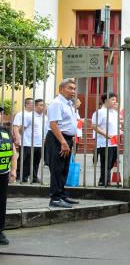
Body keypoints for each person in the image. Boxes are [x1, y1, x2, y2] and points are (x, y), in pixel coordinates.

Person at [46, 78, 80, 208]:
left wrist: (70, 138)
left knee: (64, 169)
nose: (73, 91)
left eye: (74, 89)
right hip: (57, 139)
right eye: (70, 88)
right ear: (61, 89)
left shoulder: (68, 104)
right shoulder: (57, 103)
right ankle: (55, 198)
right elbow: (53, 124)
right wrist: (63, 142)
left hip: (66, 139)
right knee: (57, 169)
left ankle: (62, 195)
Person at [12, 98, 45, 183]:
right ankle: (22, 176)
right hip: (27, 143)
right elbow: (20, 127)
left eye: (43, 105)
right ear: (35, 106)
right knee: (25, 161)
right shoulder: (28, 116)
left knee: (36, 162)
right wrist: (18, 138)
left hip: (39, 143)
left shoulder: (44, 117)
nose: (43, 107)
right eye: (41, 105)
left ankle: (34, 177)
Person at [91, 92, 120, 186]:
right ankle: (103, 182)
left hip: (114, 142)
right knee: (106, 163)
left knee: (111, 163)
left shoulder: (114, 113)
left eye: (115, 100)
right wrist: (105, 134)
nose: (115, 102)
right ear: (106, 100)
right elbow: (94, 126)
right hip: (104, 143)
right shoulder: (100, 112)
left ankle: (105, 180)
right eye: (113, 100)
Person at [0, 107, 19, 245]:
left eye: (0, 114)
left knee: (1, 204)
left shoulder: (5, 132)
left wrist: (13, 169)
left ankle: (0, 231)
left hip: (3, 174)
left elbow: (13, 152)